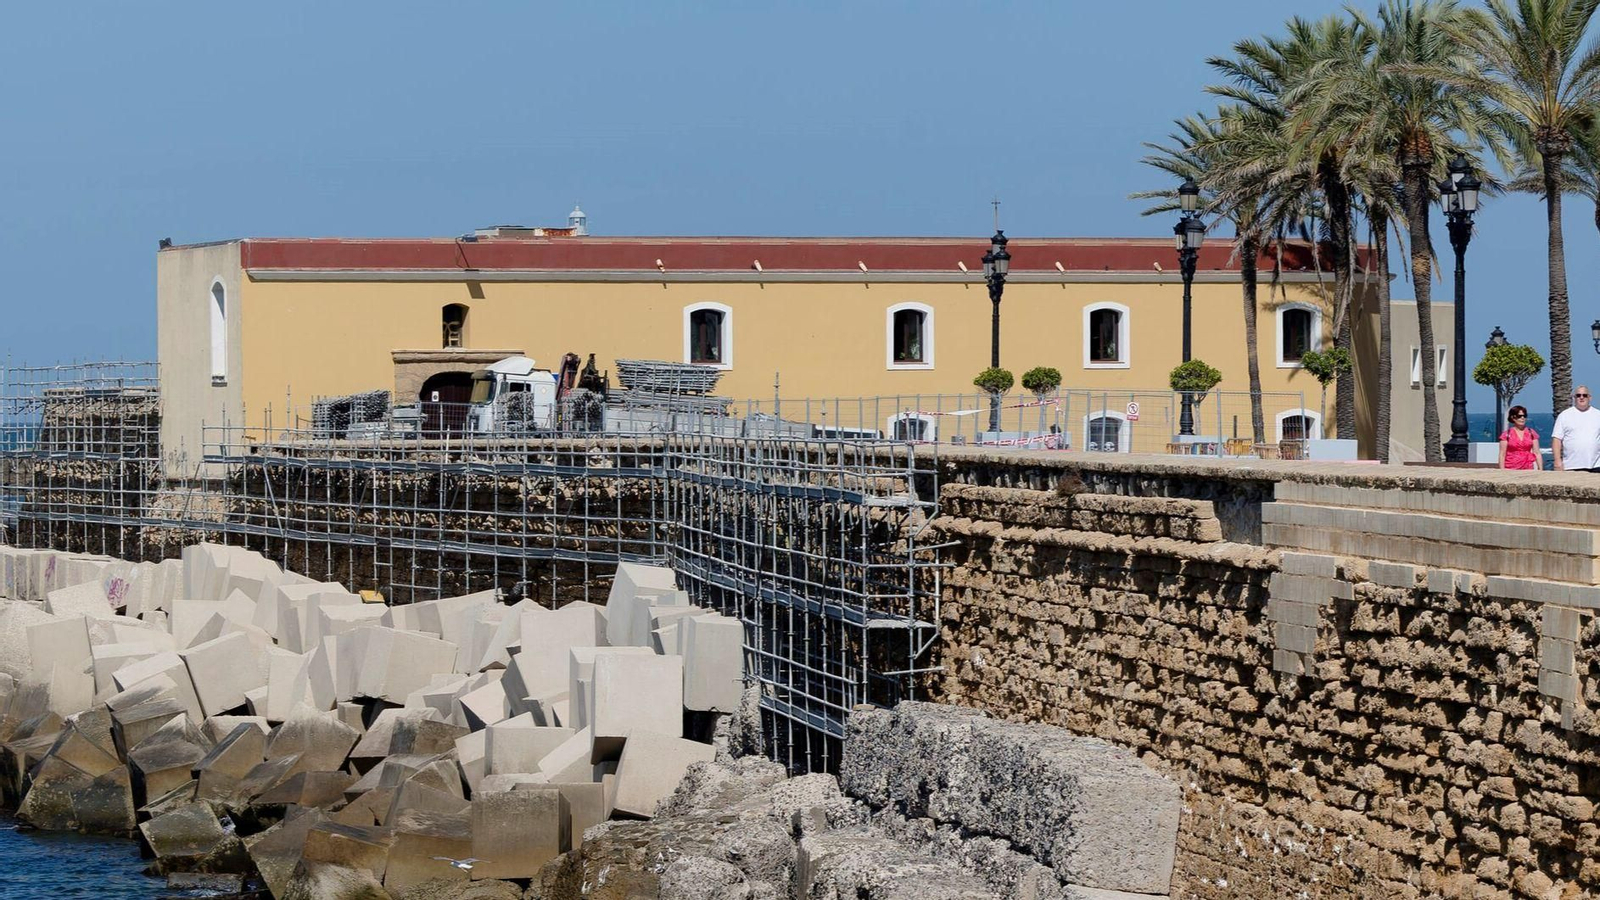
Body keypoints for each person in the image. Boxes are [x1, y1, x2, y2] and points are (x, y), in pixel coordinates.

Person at [1552, 386, 1600, 472]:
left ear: (1590, 398)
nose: (1581, 397)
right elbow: (1557, 439)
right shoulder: (1564, 415)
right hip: (1571, 466)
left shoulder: (1598, 415)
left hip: (1596, 465)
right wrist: (1557, 460)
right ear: (1574, 398)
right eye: (1578, 395)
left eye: (1584, 395)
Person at [1498, 405, 1539, 470]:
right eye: (1519, 416)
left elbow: (1537, 453)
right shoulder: (1506, 434)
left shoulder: (1531, 433)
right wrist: (1502, 470)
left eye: (1524, 416)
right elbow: (1502, 454)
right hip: (1510, 468)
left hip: (1528, 468)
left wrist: (1540, 469)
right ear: (1513, 418)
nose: (1522, 418)